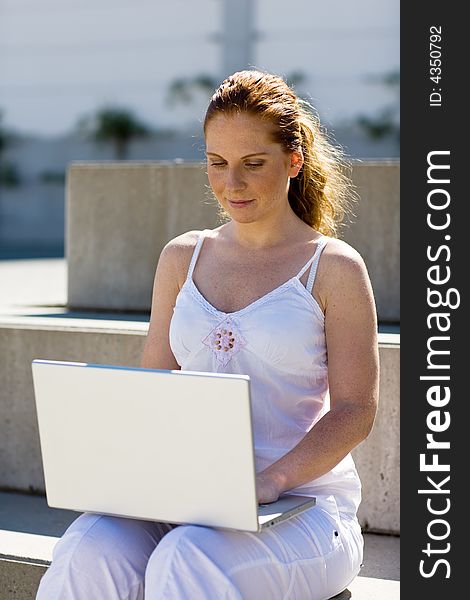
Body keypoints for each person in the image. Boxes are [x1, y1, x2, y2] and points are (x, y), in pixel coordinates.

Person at [37, 69, 379, 600]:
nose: (231, 184)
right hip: (189, 497)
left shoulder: (334, 267)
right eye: (217, 164)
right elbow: (153, 388)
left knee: (187, 558)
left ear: (294, 160)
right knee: (88, 548)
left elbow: (356, 410)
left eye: (252, 164)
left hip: (306, 509)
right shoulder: (182, 257)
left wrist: (271, 482)